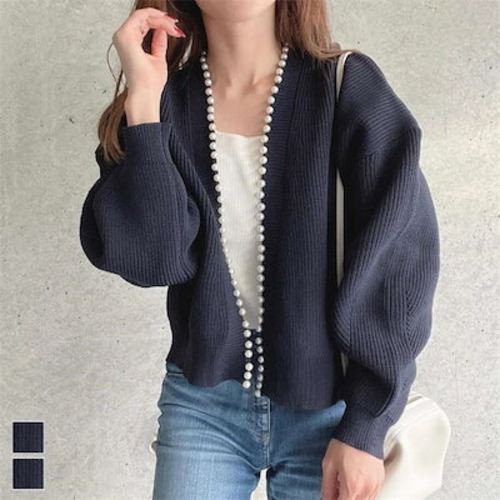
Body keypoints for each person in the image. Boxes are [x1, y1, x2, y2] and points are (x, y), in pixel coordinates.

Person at [79, 1, 440, 499]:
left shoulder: (346, 87)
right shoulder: (164, 105)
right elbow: (154, 259)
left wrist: (366, 423)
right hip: (201, 406)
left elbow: (403, 260)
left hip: (332, 412)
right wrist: (143, 101)